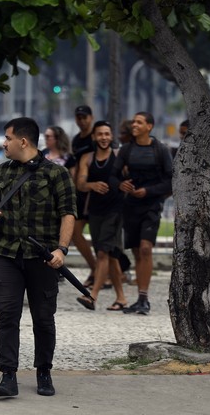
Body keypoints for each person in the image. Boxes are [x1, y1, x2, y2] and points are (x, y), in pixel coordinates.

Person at [0, 117, 75, 398]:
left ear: (23, 141)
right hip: (6, 254)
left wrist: (62, 249)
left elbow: (68, 213)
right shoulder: (3, 171)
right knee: (7, 314)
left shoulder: (56, 174)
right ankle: (8, 374)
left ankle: (43, 371)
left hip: (42, 257)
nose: (4, 143)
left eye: (7, 138)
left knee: (43, 318)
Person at [109, 111, 173, 315]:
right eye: (134, 122)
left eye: (139, 122)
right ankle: (140, 297)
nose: (134, 125)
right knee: (137, 251)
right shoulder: (127, 149)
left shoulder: (161, 150)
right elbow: (112, 176)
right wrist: (121, 185)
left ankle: (144, 298)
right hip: (131, 206)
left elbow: (170, 180)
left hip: (152, 206)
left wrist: (149, 191)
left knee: (146, 249)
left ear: (149, 126)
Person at [75, 121, 128, 311]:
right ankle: (121, 298)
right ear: (94, 137)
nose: (104, 138)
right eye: (100, 134)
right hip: (95, 211)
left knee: (103, 253)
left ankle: (92, 296)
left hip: (115, 210)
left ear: (111, 136)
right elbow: (80, 183)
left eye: (107, 134)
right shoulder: (87, 158)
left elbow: (130, 177)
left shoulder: (119, 155)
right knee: (110, 255)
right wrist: (92, 185)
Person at [68, 105, 98, 287]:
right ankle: (95, 268)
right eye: (78, 117)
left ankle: (108, 272)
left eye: (84, 117)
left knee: (101, 237)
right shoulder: (77, 139)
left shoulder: (98, 135)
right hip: (81, 190)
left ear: (91, 117)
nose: (81, 120)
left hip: (98, 190)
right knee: (74, 232)